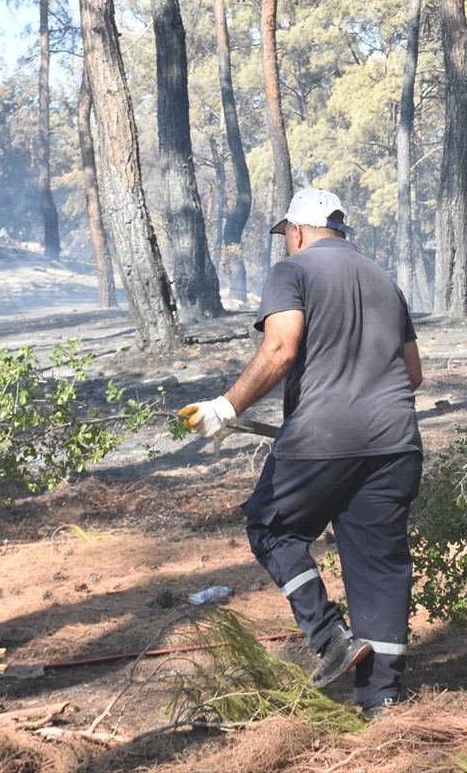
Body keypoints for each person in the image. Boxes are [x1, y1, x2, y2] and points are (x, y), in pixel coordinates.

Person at [179, 188, 423, 719]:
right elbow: (414, 375)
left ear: (297, 231)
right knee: (378, 566)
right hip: (396, 444)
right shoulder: (385, 280)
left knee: (270, 527)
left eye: (285, 236)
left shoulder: (294, 272)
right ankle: (382, 703)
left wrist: (225, 406)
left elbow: (281, 347)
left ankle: (327, 634)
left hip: (321, 442)